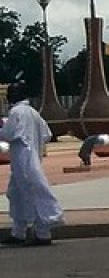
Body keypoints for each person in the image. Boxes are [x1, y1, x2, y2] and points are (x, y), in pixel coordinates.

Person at [3, 81, 63, 247]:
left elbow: (8, 134)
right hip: (31, 156)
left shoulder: (16, 112)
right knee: (16, 194)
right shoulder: (33, 112)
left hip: (23, 158)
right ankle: (18, 231)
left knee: (31, 193)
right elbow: (47, 134)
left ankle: (43, 233)